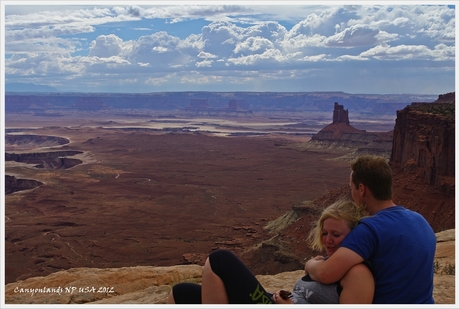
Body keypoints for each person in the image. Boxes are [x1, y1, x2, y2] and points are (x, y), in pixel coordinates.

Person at [168, 198, 374, 304]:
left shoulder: (358, 274)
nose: (328, 240)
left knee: (220, 260)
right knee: (181, 293)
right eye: (325, 233)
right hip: (271, 300)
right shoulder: (325, 263)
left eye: (336, 235)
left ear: (355, 235)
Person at [305, 155, 436, 304]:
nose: (351, 194)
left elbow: (326, 273)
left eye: (351, 188)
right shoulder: (421, 220)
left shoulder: (370, 229)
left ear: (361, 189)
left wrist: (310, 264)